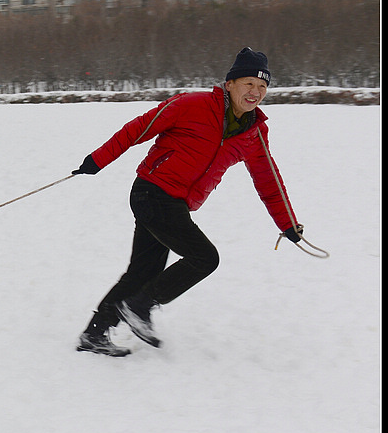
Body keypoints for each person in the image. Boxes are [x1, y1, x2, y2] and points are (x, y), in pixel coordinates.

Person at [71, 47, 303, 357]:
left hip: (176, 204)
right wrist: (97, 160)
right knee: (204, 258)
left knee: (142, 272)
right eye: (249, 83)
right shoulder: (192, 105)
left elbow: (268, 180)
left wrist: (287, 224)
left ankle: (94, 334)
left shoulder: (255, 133)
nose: (256, 92)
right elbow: (138, 129)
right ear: (230, 83)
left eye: (262, 86)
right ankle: (140, 306)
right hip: (151, 192)